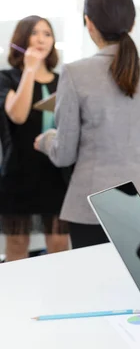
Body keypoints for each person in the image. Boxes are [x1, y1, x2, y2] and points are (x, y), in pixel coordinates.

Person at [35, 0, 140, 249]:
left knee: (91, 286)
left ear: (89, 24)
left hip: (91, 205)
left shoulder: (75, 74)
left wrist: (46, 140)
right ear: (132, 24)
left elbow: (64, 154)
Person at [0, 16, 69, 261]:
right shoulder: (7, 78)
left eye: (47, 34)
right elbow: (17, 115)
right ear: (22, 39)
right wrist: (30, 69)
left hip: (55, 173)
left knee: (59, 245)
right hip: (18, 173)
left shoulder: (63, 81)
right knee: (17, 245)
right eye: (35, 33)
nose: (41, 39)